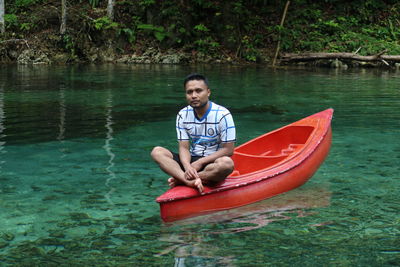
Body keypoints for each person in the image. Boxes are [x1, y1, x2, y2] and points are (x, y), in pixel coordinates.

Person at [151, 73, 236, 193]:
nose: (194, 96)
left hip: (211, 162)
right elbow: (184, 147)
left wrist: (199, 163)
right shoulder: (182, 114)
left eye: (198, 91)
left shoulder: (223, 114)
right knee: (157, 152)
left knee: (226, 164)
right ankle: (188, 180)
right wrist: (187, 166)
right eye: (189, 92)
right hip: (191, 159)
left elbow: (228, 150)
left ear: (208, 92)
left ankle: (181, 179)